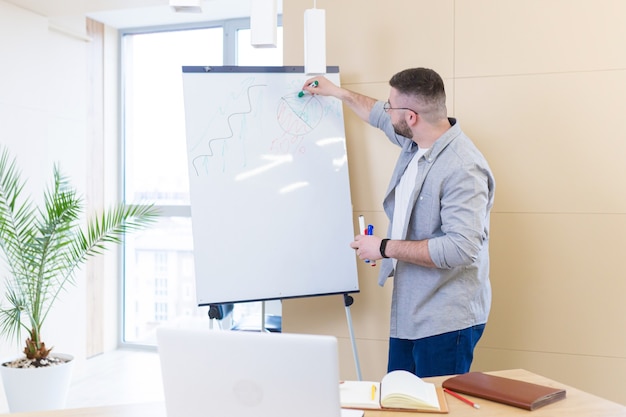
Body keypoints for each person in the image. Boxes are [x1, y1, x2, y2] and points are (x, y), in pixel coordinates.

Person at [302, 68, 495, 378]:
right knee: (400, 405)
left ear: (412, 116)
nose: (386, 110)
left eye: (392, 106)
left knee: (436, 411)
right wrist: (337, 92)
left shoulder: (462, 168)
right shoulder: (416, 141)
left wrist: (384, 248)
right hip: (410, 314)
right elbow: (376, 114)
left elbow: (461, 248)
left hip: (445, 321)